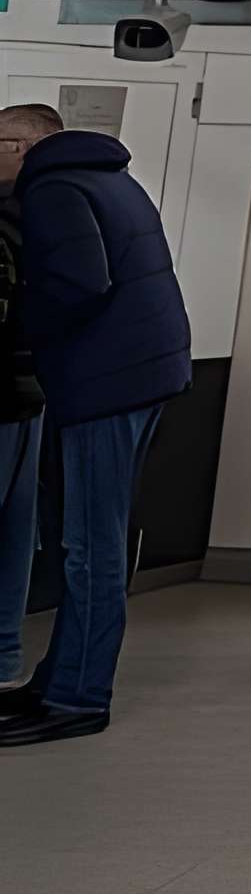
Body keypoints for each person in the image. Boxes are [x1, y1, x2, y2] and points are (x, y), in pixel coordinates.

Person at [0, 103, 191, 746]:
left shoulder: (53, 189)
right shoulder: (107, 177)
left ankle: (79, 697)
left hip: (104, 385)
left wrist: (20, 330)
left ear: (26, 144)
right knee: (91, 541)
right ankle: (58, 680)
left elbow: (77, 284)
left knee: (90, 547)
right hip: (140, 377)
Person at [0, 106, 49, 707]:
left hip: (6, 389)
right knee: (16, 529)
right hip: (34, 391)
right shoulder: (52, 212)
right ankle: (6, 655)